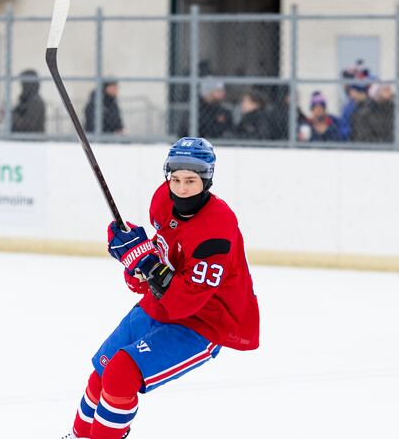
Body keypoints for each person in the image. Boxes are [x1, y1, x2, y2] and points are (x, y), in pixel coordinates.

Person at [60, 137, 260, 439]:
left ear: (206, 181)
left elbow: (186, 302)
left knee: (120, 374)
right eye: (175, 179)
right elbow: (163, 252)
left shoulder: (217, 231)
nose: (181, 188)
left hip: (203, 321)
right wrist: (134, 262)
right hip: (161, 303)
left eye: (191, 181)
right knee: (100, 373)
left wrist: (145, 263)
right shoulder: (163, 200)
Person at [11, 69, 45, 133]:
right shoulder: (26, 100)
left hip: (33, 140)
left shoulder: (36, 101)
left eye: (23, 83)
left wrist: (11, 116)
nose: (22, 87)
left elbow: (27, 126)